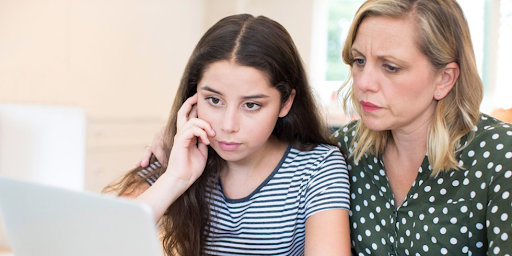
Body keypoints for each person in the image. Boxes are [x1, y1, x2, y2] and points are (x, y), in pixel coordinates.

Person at [140, 1, 512, 255]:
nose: (364, 81)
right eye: (359, 60)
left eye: (391, 67)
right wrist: (172, 146)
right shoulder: (346, 149)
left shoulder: (499, 156)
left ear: (444, 79)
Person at [106, 14, 351, 256]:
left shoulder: (318, 167)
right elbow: (102, 241)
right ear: (193, 98)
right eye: (214, 100)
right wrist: (176, 178)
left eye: (251, 105)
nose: (228, 125)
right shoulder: (180, 154)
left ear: (285, 103)